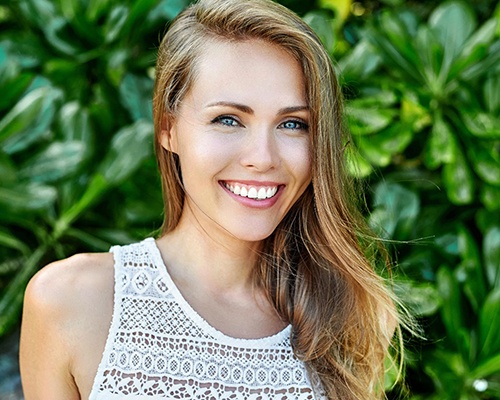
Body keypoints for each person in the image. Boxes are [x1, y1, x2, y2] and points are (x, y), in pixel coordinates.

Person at [19, 0, 404, 398]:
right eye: (228, 119)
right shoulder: (71, 302)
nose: (262, 158)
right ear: (168, 128)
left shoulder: (354, 318)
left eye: (293, 124)